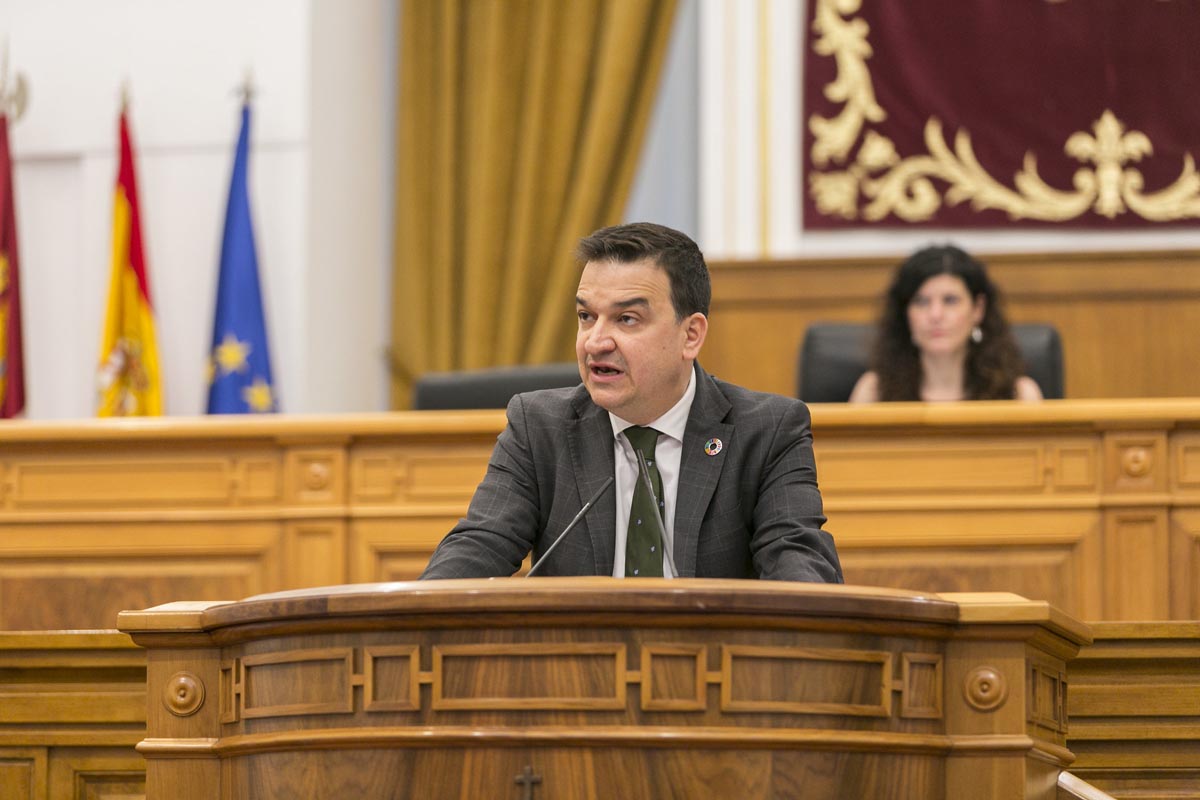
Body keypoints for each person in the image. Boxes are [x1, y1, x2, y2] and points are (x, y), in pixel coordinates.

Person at [421, 222, 843, 583]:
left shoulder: (766, 430)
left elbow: (798, 560)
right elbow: (480, 543)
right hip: (577, 673)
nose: (596, 342)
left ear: (691, 335)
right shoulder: (539, 426)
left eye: (626, 319)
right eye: (587, 317)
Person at [849, 245, 1043, 403]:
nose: (935, 315)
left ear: (978, 309)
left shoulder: (1020, 396)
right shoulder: (874, 393)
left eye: (950, 300)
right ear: (905, 313)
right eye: (921, 302)